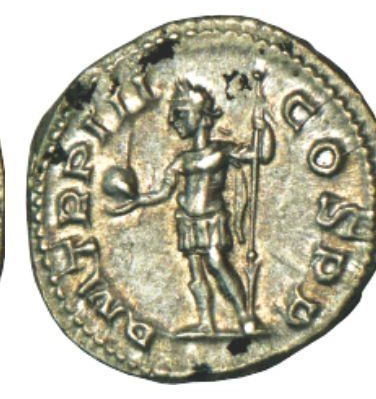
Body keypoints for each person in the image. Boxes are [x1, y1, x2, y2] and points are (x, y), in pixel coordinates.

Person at [109, 79, 275, 334]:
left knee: (217, 262)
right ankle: (206, 322)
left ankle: (245, 317)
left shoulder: (222, 151)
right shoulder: (182, 160)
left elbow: (261, 155)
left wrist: (265, 128)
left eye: (181, 114)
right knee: (196, 272)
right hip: (187, 220)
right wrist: (138, 200)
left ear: (203, 117)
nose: (173, 121)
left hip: (211, 218)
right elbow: (163, 192)